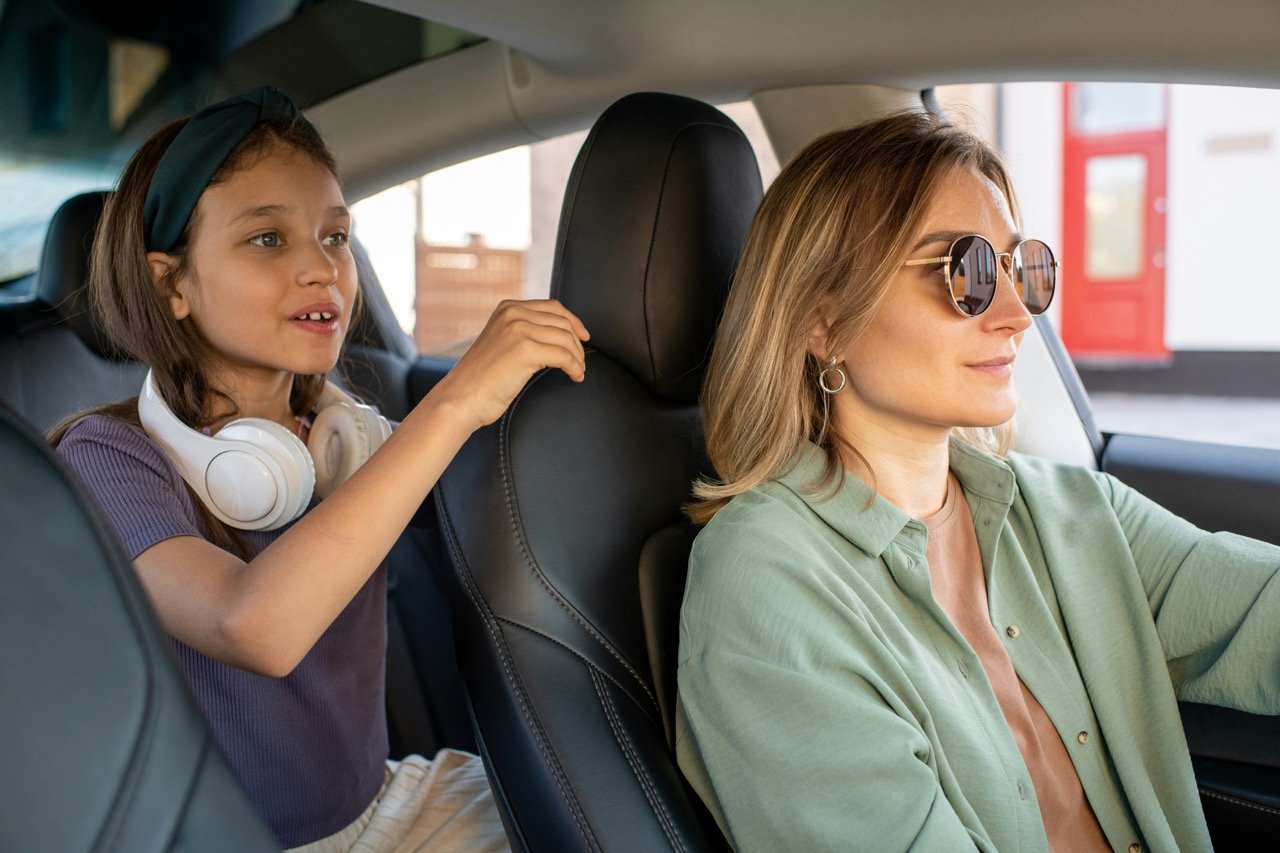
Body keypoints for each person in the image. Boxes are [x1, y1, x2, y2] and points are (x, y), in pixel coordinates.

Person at [675, 110, 1280, 852]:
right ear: (821, 319)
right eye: (962, 272)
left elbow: (1263, 612)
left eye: (1020, 266)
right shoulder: (764, 580)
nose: (1015, 312)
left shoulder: (1069, 512)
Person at [52, 87, 589, 851]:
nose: (322, 269)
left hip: (380, 809)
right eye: (267, 240)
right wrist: (456, 399)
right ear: (172, 284)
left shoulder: (340, 441)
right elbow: (254, 624)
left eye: (336, 237)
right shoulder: (109, 459)